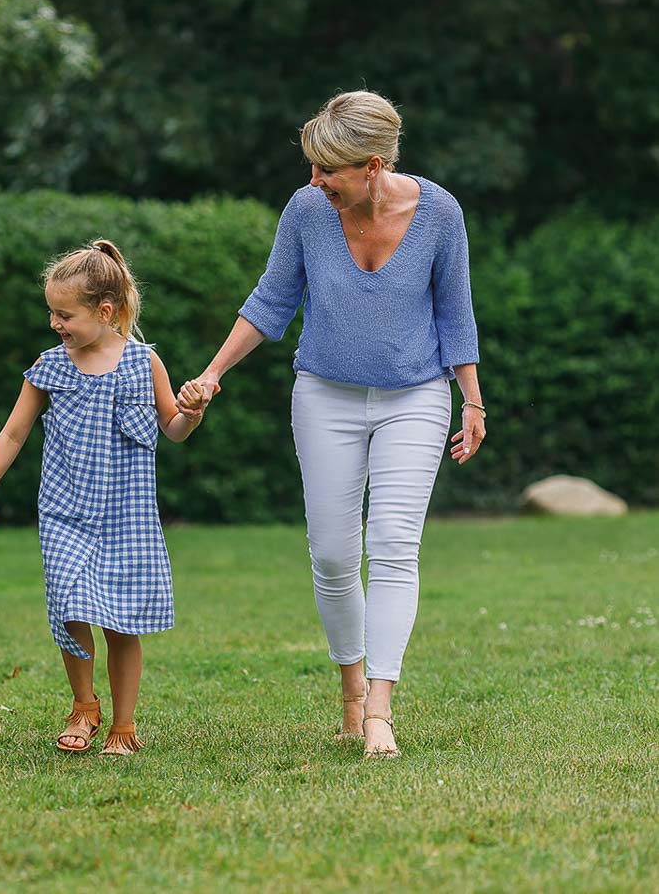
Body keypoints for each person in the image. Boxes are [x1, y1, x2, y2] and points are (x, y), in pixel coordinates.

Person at [179, 90, 486, 759]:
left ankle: (379, 708)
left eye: (329, 171)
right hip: (325, 395)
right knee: (332, 554)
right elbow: (272, 300)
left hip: (415, 396)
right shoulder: (307, 211)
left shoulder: (440, 214)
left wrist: (473, 400)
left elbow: (454, 312)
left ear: (372, 166)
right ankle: (349, 687)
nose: (314, 181)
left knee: (395, 545)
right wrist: (213, 372)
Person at [0, 241, 205, 756]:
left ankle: (123, 726)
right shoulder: (51, 366)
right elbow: (11, 435)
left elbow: (174, 429)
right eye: (51, 311)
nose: (55, 322)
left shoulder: (145, 362)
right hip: (65, 512)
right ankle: (84, 704)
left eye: (64, 313)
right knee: (69, 605)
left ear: (106, 310)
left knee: (121, 622)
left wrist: (193, 412)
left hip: (128, 517)